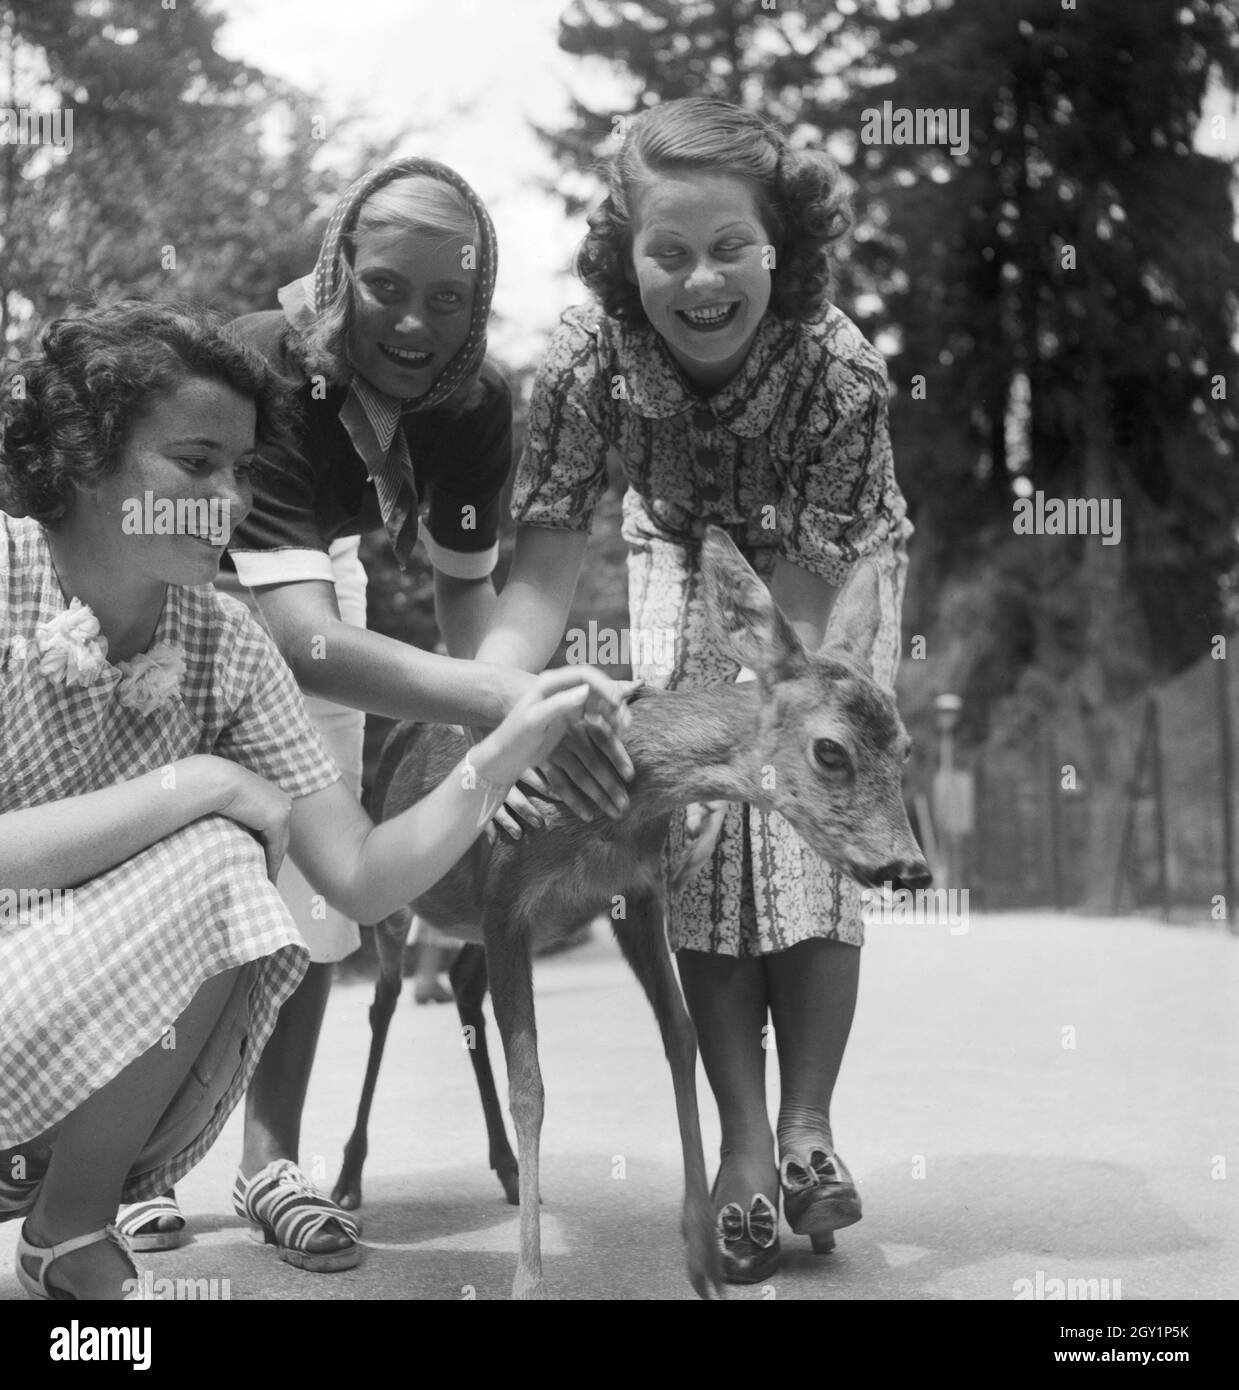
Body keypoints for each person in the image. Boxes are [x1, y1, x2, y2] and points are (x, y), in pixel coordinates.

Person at [0, 300, 627, 1300]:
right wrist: (195, 782)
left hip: (59, 1032)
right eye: (196, 463)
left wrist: (496, 755)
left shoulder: (230, 644)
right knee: (215, 824)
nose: (233, 500)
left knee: (226, 858)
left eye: (243, 469)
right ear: (82, 456)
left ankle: (68, 1233)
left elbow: (365, 879)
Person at [470, 98, 913, 1282]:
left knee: (799, 783)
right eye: (669, 250)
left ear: (786, 247)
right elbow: (533, 593)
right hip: (671, 538)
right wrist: (499, 737)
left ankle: (810, 1121)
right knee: (695, 812)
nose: (701, 278)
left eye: (732, 247)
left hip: (824, 574)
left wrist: (772, 707)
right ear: (627, 252)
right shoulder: (582, 361)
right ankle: (745, 1145)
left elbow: (805, 648)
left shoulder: (838, 374)